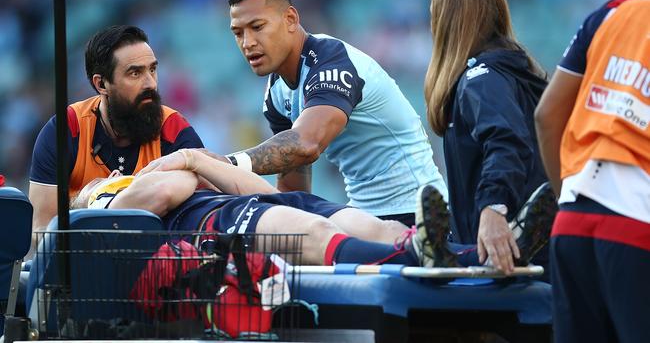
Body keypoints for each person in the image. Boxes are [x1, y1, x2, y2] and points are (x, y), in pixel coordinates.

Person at [71, 148, 551, 269]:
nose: (113, 173)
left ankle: (488, 254)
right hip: (211, 224)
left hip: (250, 202)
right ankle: (425, 258)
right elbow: (167, 191)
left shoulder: (175, 171)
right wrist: (187, 169)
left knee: (380, 228)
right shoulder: (105, 201)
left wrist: (198, 159)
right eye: (104, 177)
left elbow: (255, 185)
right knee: (319, 237)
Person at [222, 0, 446, 226]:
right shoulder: (276, 91)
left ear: (290, 19)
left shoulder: (332, 61)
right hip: (366, 218)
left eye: (257, 26)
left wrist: (226, 164)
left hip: (420, 215)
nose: (247, 42)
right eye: (238, 32)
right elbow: (293, 190)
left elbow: (306, 144)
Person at [535, 0, 650, 343]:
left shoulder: (613, 13)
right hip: (637, 226)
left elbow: (546, 117)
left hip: (572, 220)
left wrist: (565, 196)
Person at [422, 0, 554, 273]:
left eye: (433, 11)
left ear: (446, 19)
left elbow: (507, 141)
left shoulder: (481, 79)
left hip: (505, 259)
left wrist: (494, 208)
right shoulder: (517, 73)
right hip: (541, 258)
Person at [29, 25, 204, 235]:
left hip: (155, 261)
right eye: (135, 73)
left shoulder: (173, 129)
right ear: (101, 84)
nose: (151, 83)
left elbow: (197, 223)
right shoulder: (66, 129)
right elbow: (40, 233)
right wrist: (85, 201)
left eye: (153, 69)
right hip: (83, 263)